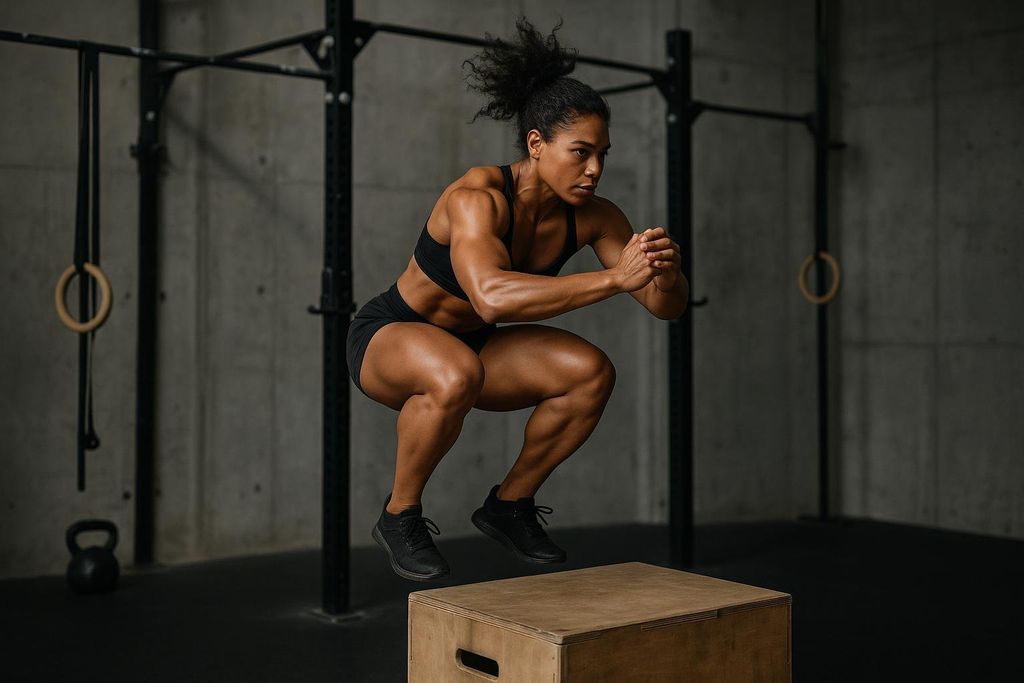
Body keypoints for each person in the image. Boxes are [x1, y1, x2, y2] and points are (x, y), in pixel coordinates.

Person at [348, 17, 688, 581]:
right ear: (537, 143)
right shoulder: (478, 198)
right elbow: (492, 298)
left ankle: (510, 504)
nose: (595, 168)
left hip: (475, 349)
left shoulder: (594, 216)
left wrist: (666, 275)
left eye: (602, 153)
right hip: (391, 337)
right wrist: (612, 280)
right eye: (580, 152)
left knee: (589, 372)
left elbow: (662, 307)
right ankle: (399, 514)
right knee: (454, 372)